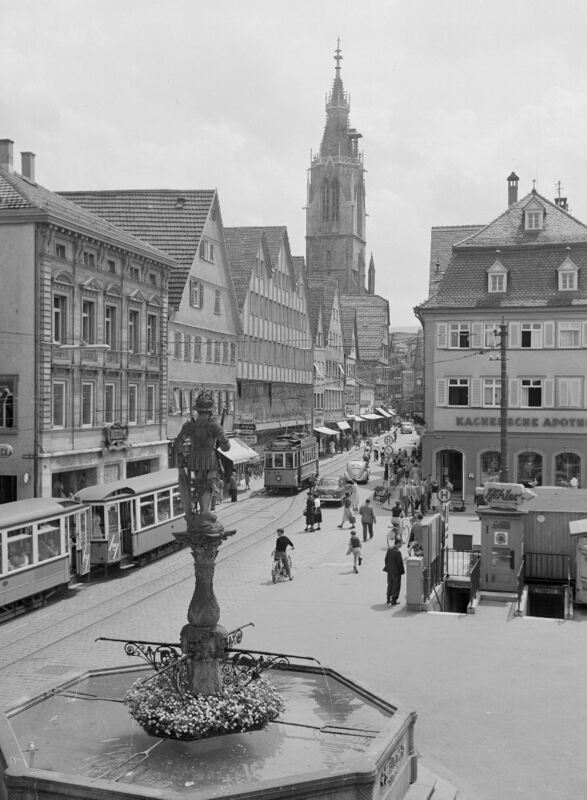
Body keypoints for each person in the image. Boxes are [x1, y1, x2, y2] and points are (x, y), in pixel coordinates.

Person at [175, 390, 231, 519]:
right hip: (209, 457)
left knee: (198, 482)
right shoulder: (214, 425)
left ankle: (200, 508)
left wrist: (181, 457)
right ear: (210, 411)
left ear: (197, 410)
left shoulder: (190, 425)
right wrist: (220, 444)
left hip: (194, 457)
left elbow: (178, 442)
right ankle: (205, 510)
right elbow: (227, 447)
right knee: (210, 483)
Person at [384, 540, 405, 605]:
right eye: (401, 544)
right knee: (396, 585)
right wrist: (402, 572)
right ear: (398, 543)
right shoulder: (397, 552)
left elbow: (386, 559)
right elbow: (400, 563)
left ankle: (388, 599)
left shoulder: (389, 549)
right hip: (396, 572)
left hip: (389, 570)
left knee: (390, 584)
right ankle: (394, 600)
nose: (401, 545)